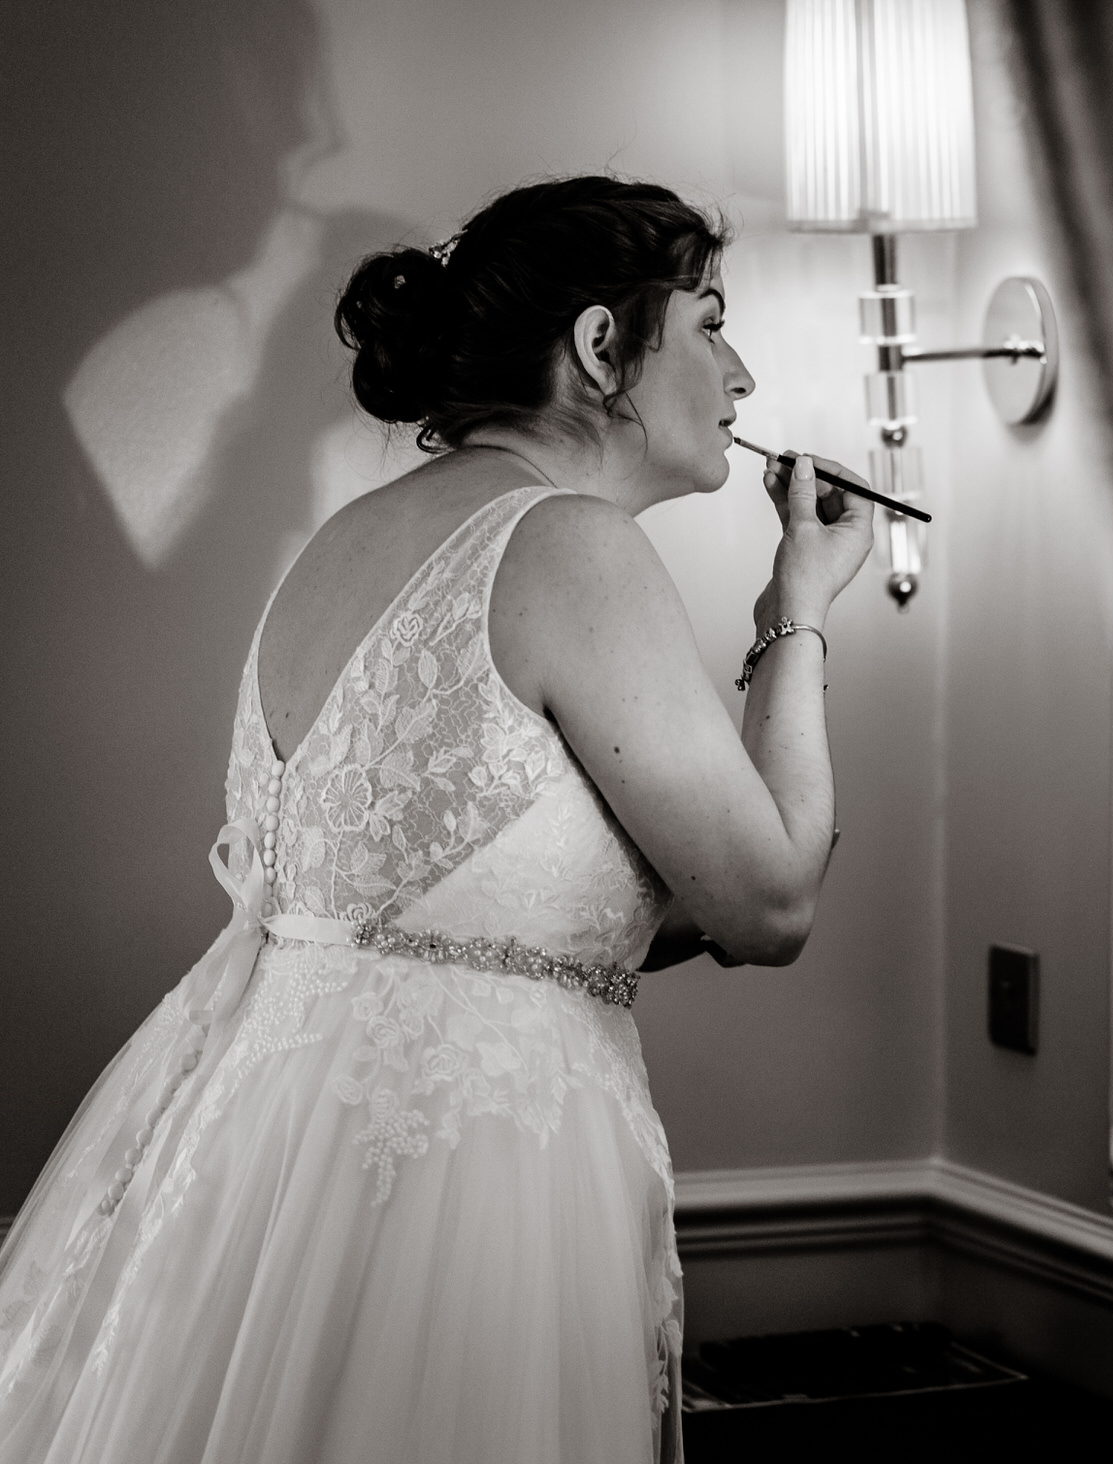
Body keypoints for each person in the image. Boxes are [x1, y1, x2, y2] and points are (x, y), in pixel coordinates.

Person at [0, 176, 875, 1463]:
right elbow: (771, 901)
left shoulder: (340, 546)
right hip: (472, 1190)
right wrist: (796, 613)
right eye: (708, 322)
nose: (742, 376)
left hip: (272, 1157)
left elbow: (493, 903)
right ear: (598, 349)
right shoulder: (573, 546)